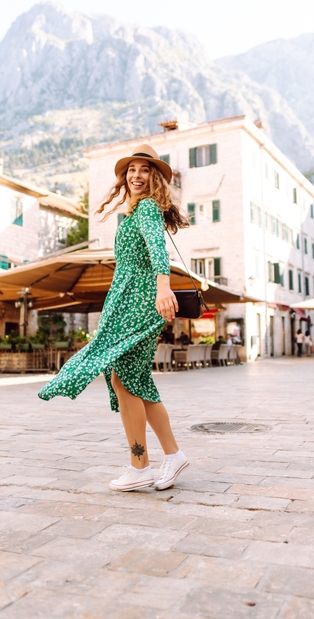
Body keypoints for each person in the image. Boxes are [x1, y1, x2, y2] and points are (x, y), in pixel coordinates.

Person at [38, 144, 190, 492]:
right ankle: (170, 457)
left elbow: (157, 250)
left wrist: (163, 288)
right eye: (132, 169)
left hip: (137, 304)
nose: (137, 175)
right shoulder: (135, 213)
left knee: (125, 380)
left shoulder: (149, 208)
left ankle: (141, 466)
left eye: (145, 169)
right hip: (126, 302)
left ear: (155, 177)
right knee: (133, 382)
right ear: (125, 176)